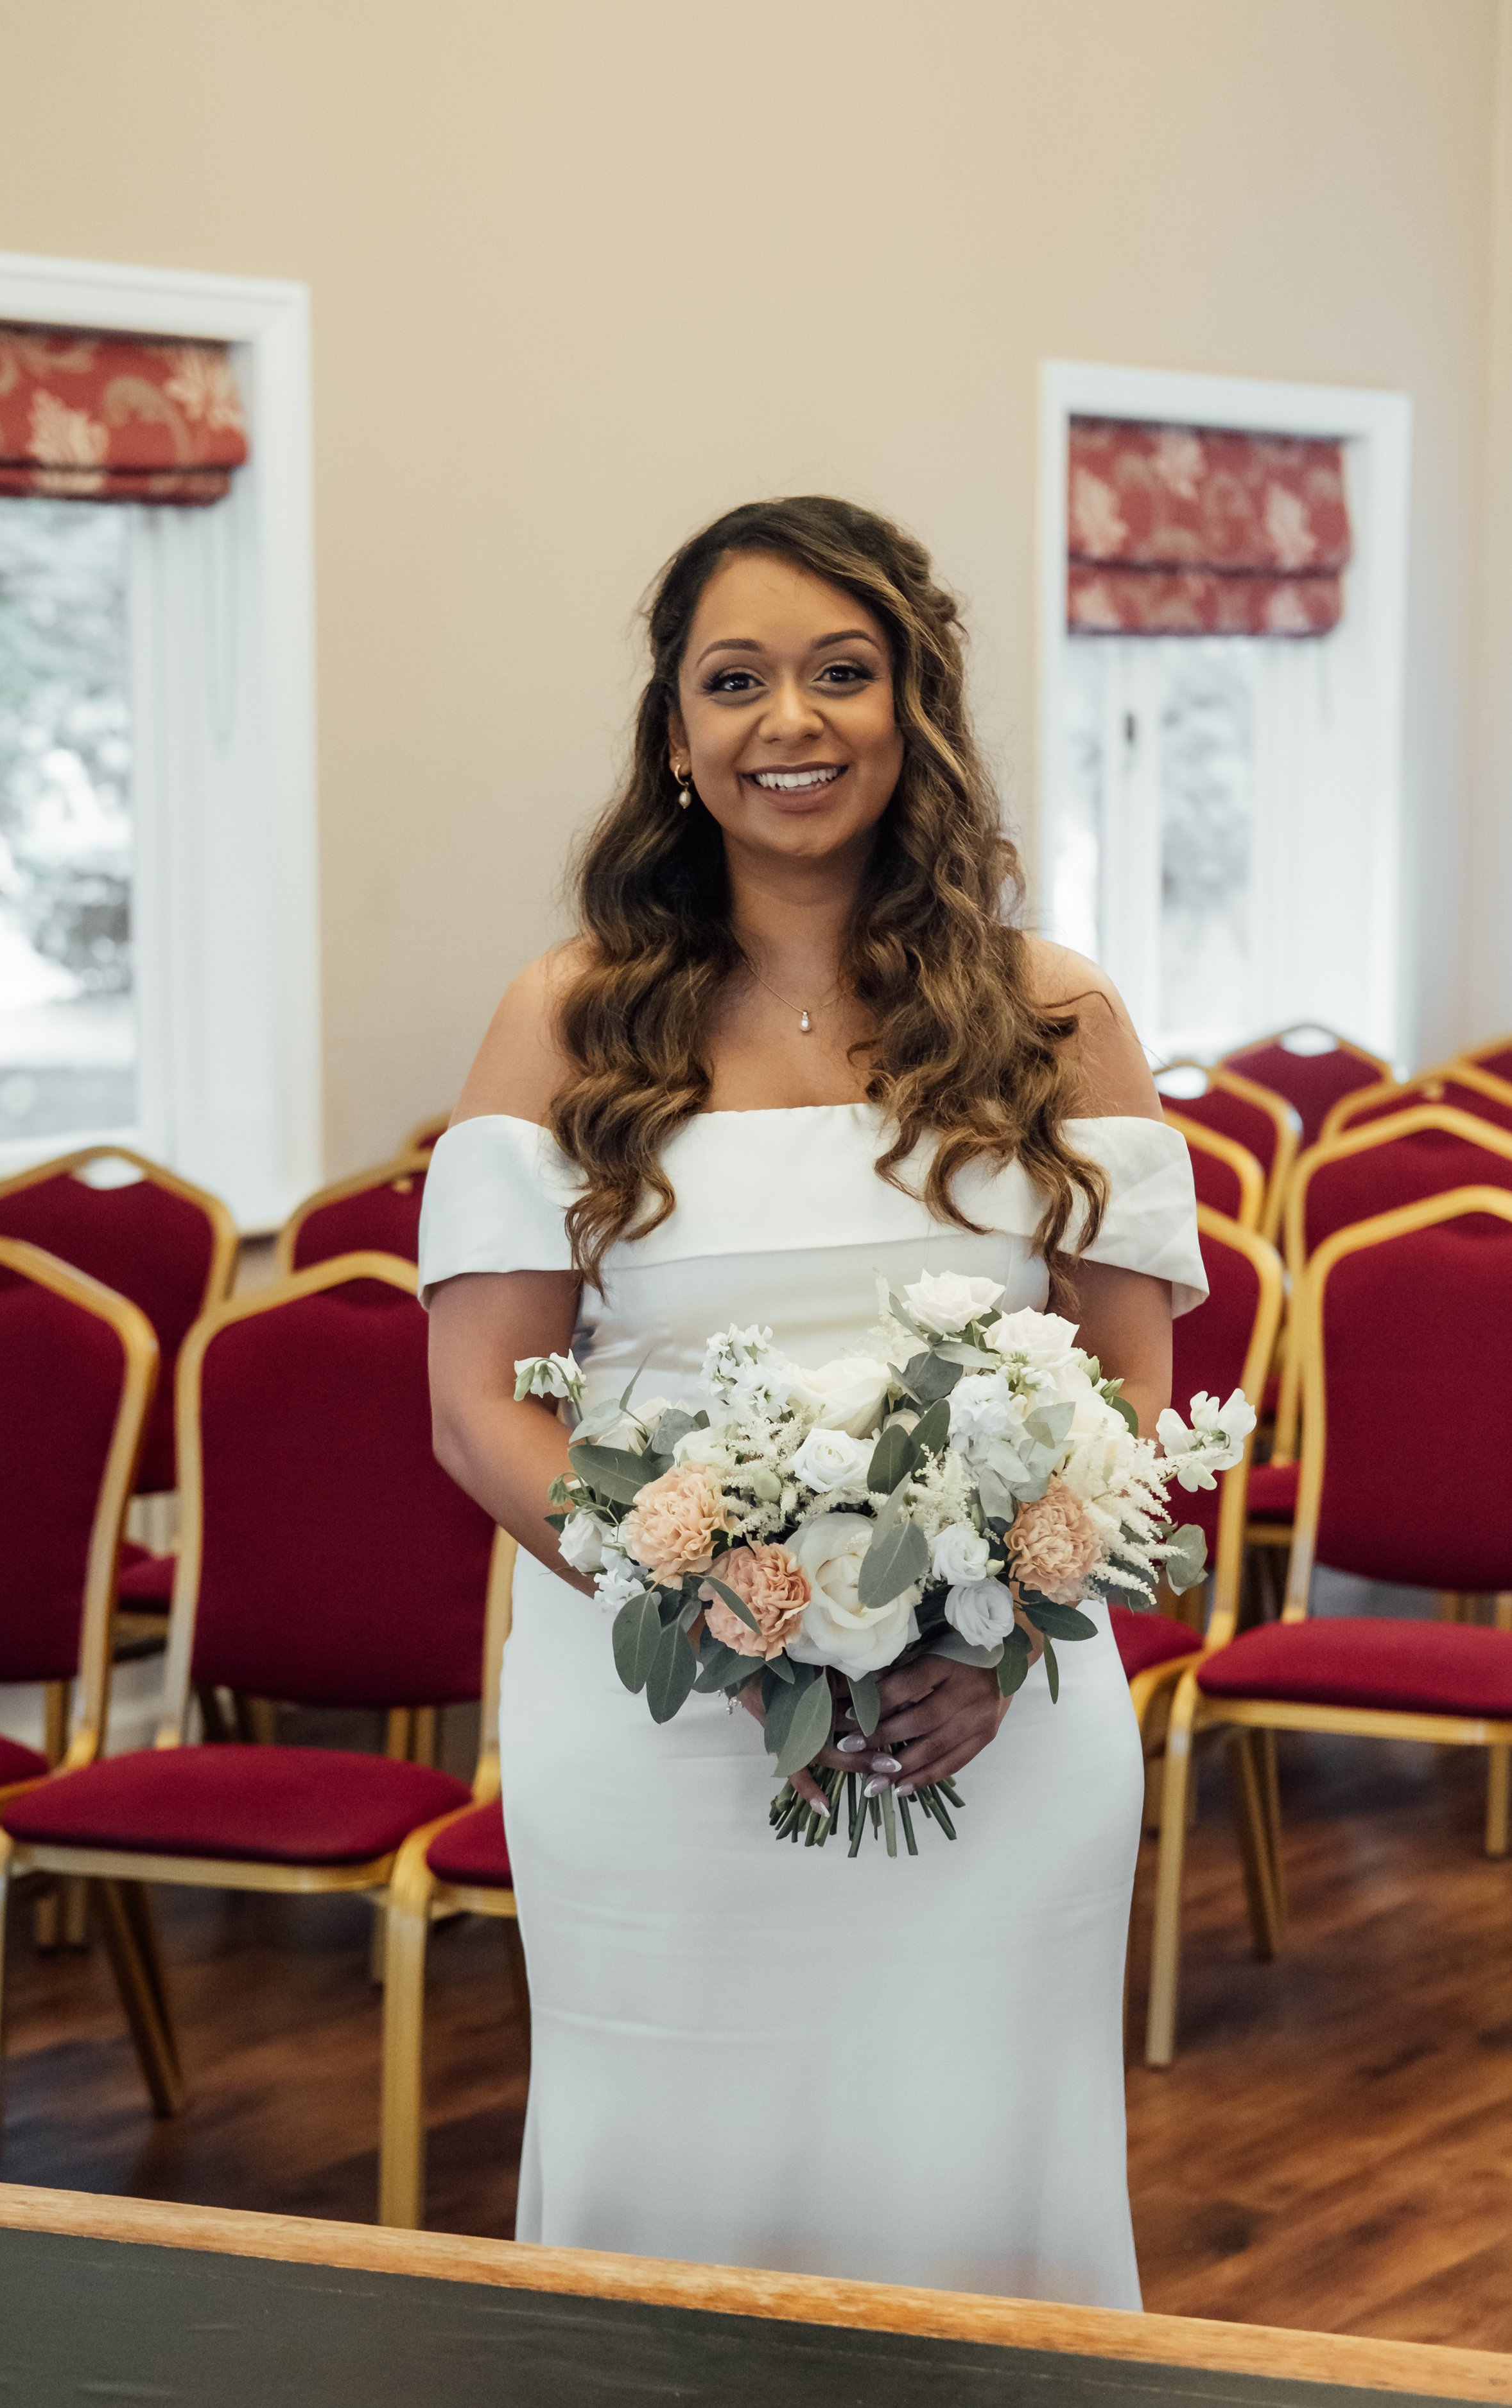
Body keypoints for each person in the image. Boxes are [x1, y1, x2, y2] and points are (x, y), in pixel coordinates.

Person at [419, 497, 1203, 2307]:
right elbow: (478, 1406)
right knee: (671, 2192)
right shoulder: (569, 1014)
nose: (792, 720)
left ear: (912, 705)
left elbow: (1130, 1391)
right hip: (656, 1715)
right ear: (674, 733)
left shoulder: (1053, 1014)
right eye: (737, 679)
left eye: (842, 674)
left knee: (971, 2168)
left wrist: (994, 1642)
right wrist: (709, 1604)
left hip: (991, 1720)